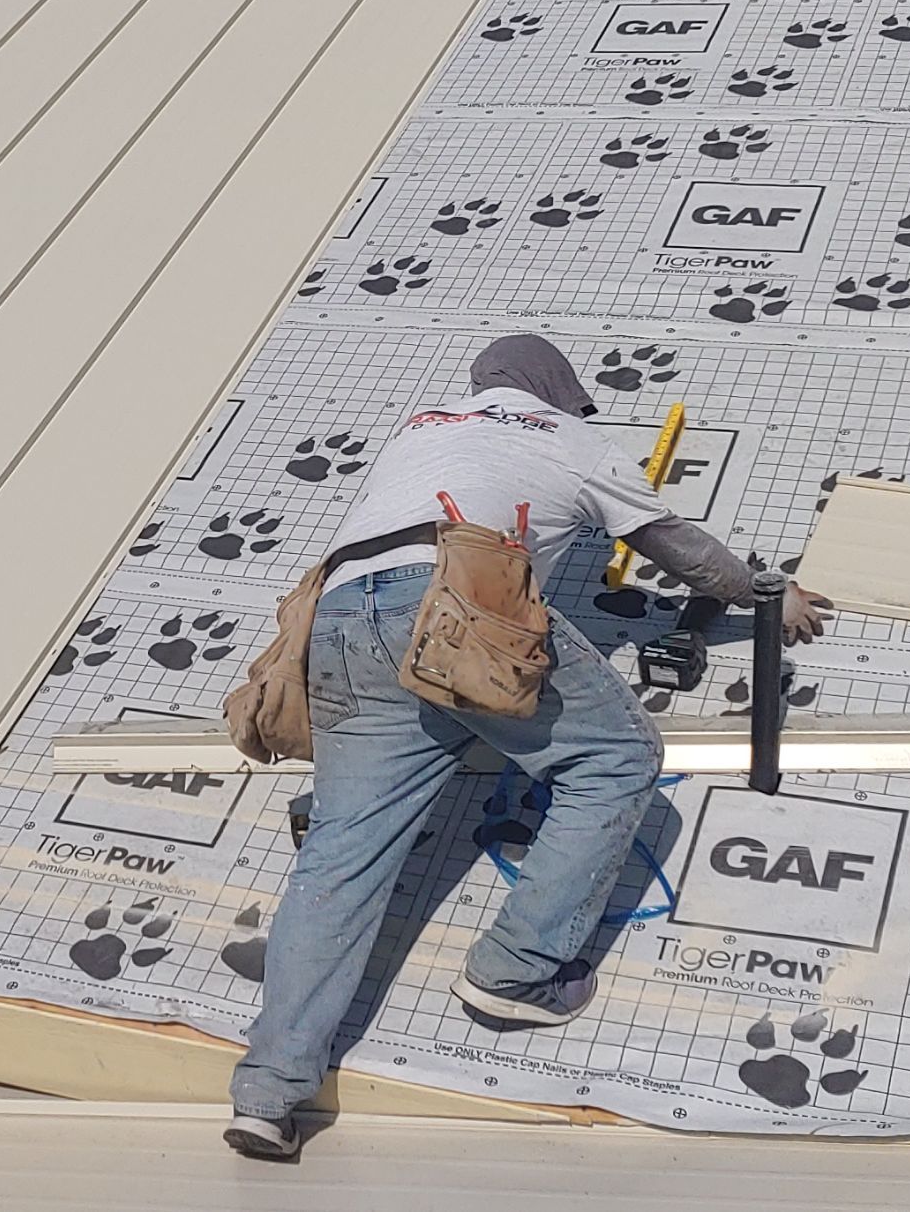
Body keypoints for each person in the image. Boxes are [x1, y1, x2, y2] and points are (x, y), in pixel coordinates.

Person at [222, 334, 828, 1161]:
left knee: (341, 854)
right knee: (614, 759)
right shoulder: (567, 436)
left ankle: (268, 1091)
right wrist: (768, 594)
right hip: (455, 599)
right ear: (563, 393)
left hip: (333, 611)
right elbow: (677, 548)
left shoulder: (420, 429)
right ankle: (515, 972)